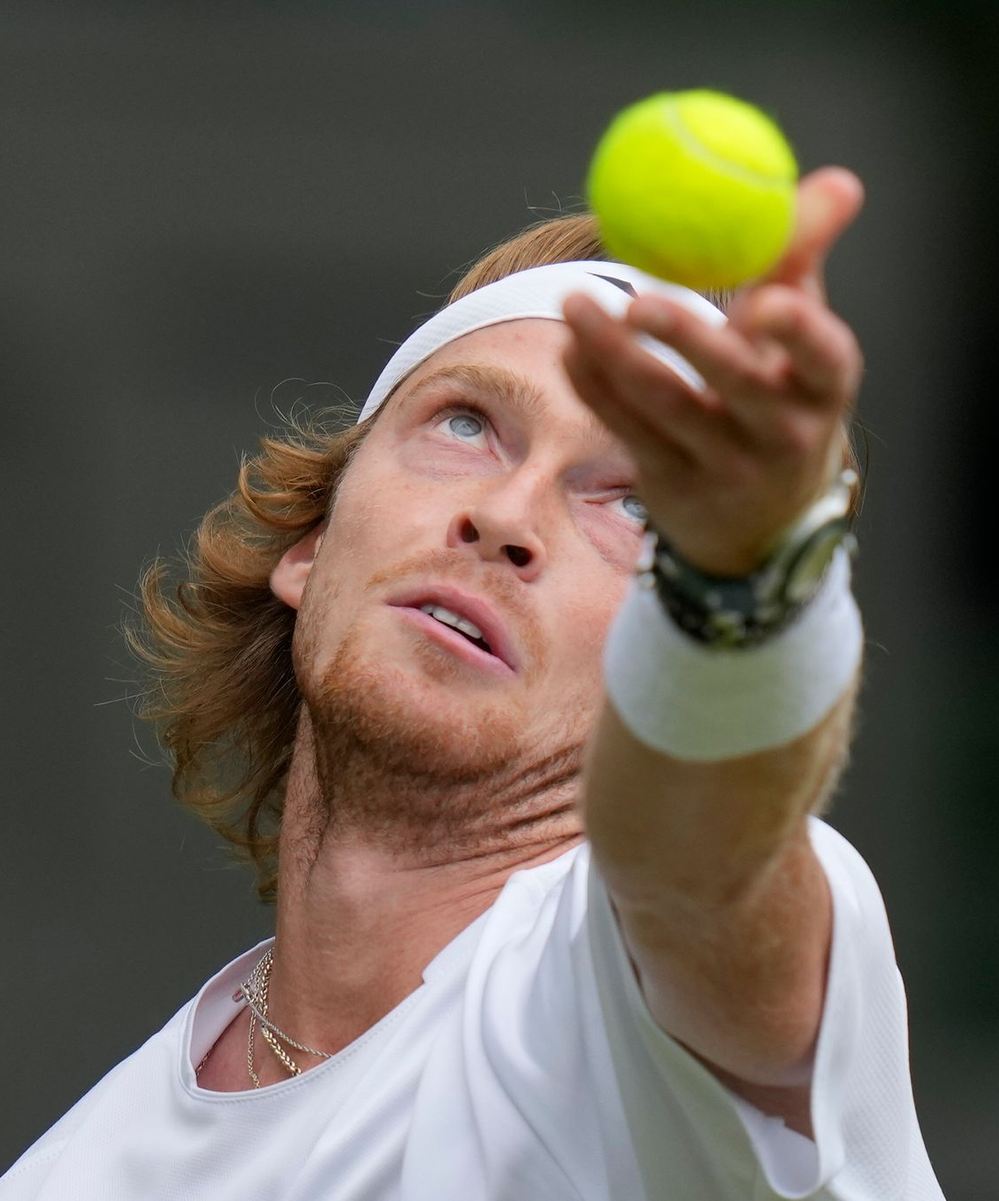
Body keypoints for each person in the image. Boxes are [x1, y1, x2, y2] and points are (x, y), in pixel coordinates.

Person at [1, 167, 944, 1200]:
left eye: (639, 508)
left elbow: (707, 872)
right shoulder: (72, 1171)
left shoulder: (608, 1001)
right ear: (311, 545)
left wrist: (745, 604)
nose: (506, 513)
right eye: (466, 424)